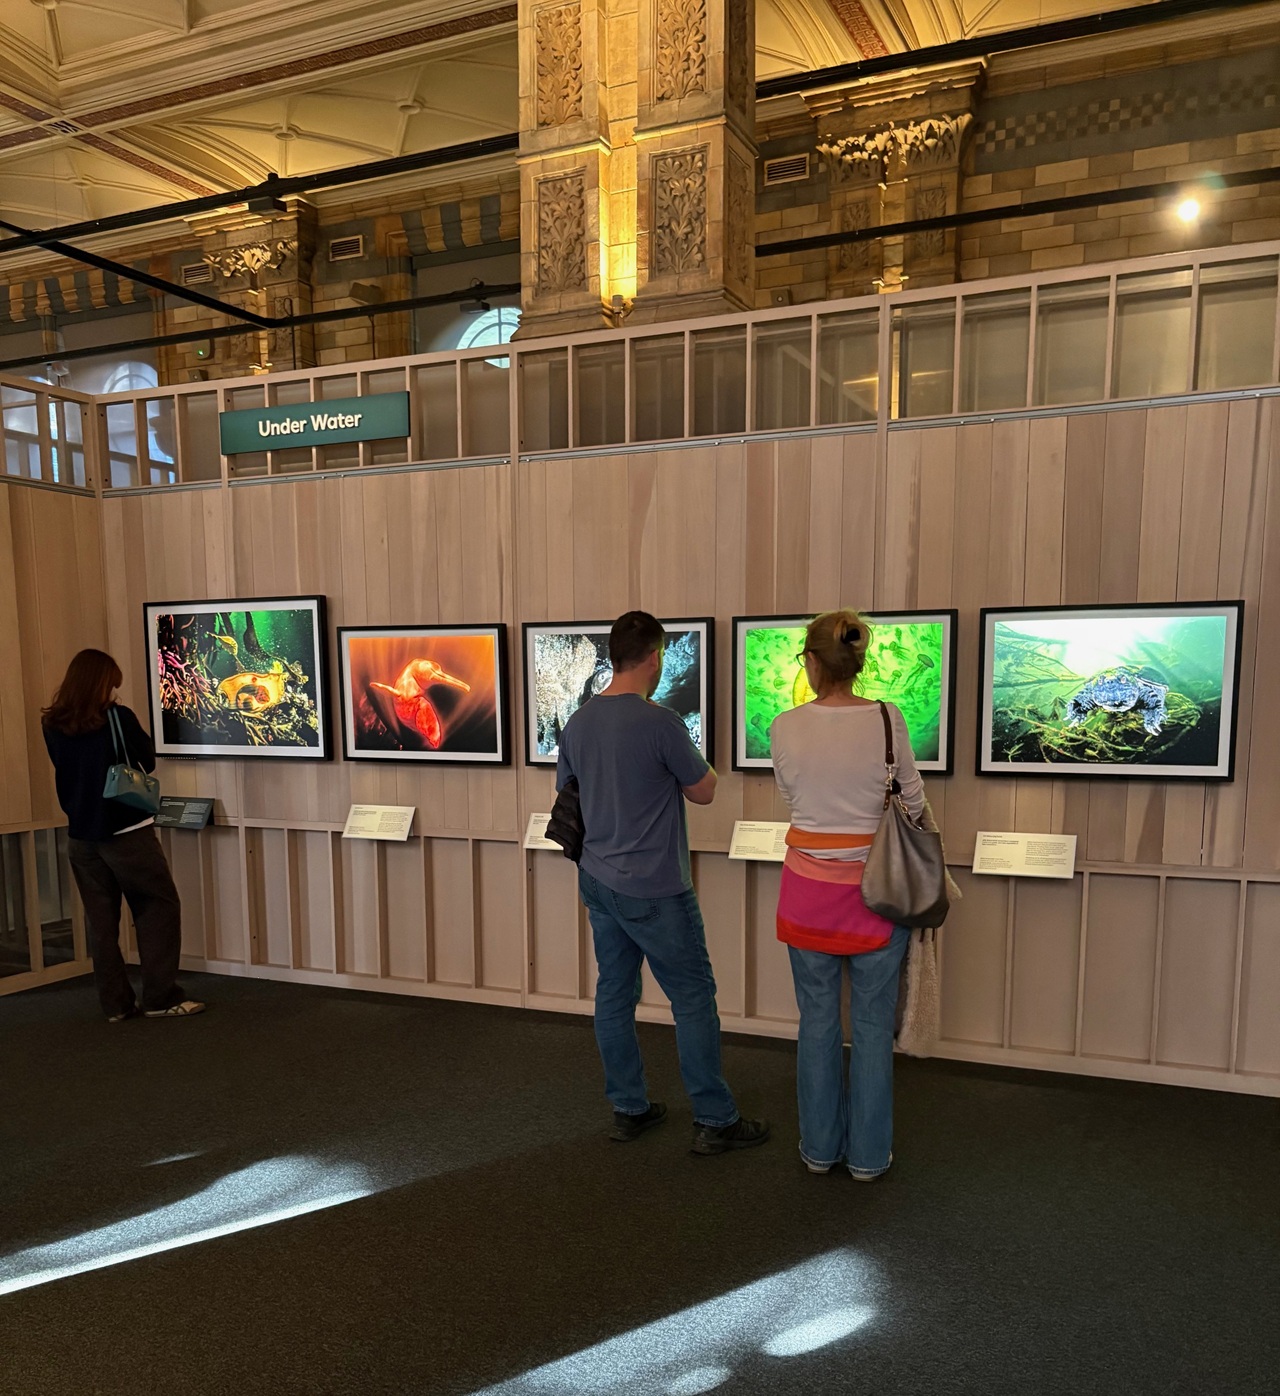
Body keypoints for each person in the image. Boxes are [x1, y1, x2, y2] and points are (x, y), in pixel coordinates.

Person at [557, 611, 768, 1156]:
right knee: (694, 998)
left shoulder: (578, 723)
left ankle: (629, 1108)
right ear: (654, 657)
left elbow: (569, 793)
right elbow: (703, 792)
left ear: (612, 655)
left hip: (598, 881)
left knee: (614, 993)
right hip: (655, 887)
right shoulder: (661, 723)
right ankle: (715, 1120)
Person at [770, 609, 925, 1181]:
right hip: (878, 897)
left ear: (811, 663)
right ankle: (867, 1158)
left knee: (816, 1023)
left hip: (806, 894)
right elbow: (911, 798)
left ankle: (817, 1151)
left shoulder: (784, 726)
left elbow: (791, 791)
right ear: (857, 663)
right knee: (871, 1025)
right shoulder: (889, 719)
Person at [42, 649, 205, 1021]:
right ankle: (161, 998)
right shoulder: (117, 717)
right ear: (102, 682)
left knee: (101, 924)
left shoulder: (52, 723)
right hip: (126, 831)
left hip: (81, 836)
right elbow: (145, 761)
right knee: (158, 907)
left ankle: (115, 1006)